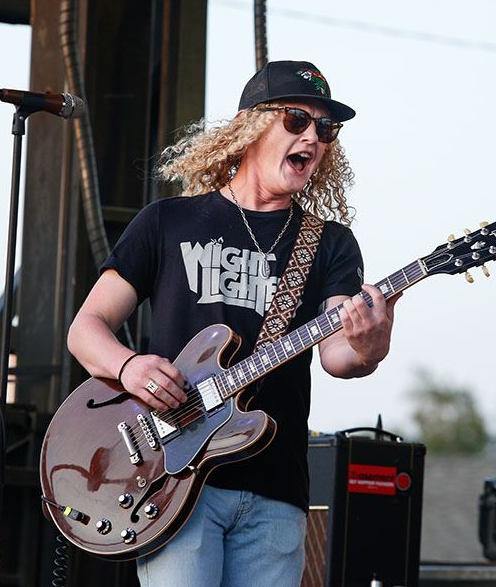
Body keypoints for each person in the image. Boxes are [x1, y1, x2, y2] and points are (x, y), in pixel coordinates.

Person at [66, 60, 400, 587]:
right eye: (296, 119)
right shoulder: (167, 221)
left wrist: (370, 345)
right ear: (249, 126)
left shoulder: (329, 243)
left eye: (324, 128)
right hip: (172, 481)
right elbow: (86, 328)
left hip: (275, 489)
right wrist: (130, 368)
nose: (312, 137)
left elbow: (338, 356)